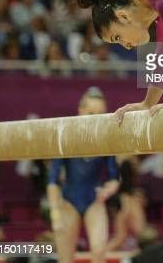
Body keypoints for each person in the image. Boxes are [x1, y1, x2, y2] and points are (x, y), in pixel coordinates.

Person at [47, 87, 120, 263]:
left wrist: (107, 191)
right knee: (65, 257)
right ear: (80, 111)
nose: (95, 118)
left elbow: (114, 179)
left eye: (100, 114)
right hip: (68, 202)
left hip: (93, 201)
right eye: (91, 112)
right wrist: (55, 214)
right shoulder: (65, 137)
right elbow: (53, 181)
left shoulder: (105, 140)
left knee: (99, 249)